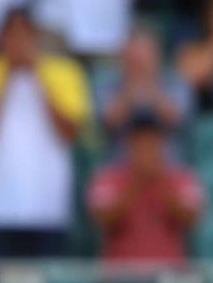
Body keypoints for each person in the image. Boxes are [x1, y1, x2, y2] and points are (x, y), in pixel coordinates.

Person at [0, 7, 90, 258]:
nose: (18, 42)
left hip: (49, 209)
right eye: (12, 35)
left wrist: (37, 73)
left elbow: (68, 133)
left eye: (25, 35)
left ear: (35, 37)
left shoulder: (66, 72)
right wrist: (6, 75)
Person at [87, 106, 205, 265]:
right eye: (139, 139)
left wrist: (159, 179)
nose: (146, 146)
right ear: (128, 143)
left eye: (152, 139)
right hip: (119, 280)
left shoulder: (183, 177)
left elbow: (192, 219)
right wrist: (136, 180)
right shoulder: (106, 177)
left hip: (167, 279)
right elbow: (101, 220)